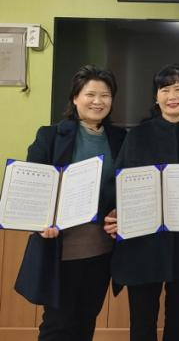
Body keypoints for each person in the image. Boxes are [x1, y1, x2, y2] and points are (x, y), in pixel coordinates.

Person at [104, 63, 179, 341]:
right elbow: (120, 185)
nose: (172, 96)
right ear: (156, 97)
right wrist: (116, 213)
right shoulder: (137, 136)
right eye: (164, 90)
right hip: (143, 242)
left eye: (178, 89)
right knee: (142, 318)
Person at [14, 65, 127, 341]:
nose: (98, 101)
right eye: (90, 94)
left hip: (102, 250)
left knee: (86, 322)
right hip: (61, 249)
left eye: (105, 95)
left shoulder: (120, 139)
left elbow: (125, 188)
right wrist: (40, 221)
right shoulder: (50, 136)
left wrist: (121, 213)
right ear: (75, 98)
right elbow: (32, 188)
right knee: (57, 325)